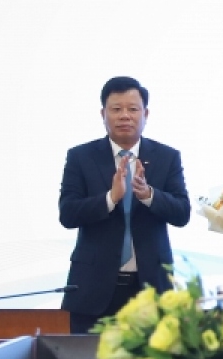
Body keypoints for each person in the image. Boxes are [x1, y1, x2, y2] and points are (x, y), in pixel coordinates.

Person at [59, 76, 191, 334]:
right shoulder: (80, 157)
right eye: (116, 109)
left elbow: (182, 213)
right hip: (93, 291)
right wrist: (111, 198)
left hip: (150, 288)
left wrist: (149, 194)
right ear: (103, 114)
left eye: (132, 109)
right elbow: (68, 214)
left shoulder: (167, 157)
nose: (125, 116)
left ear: (145, 114)